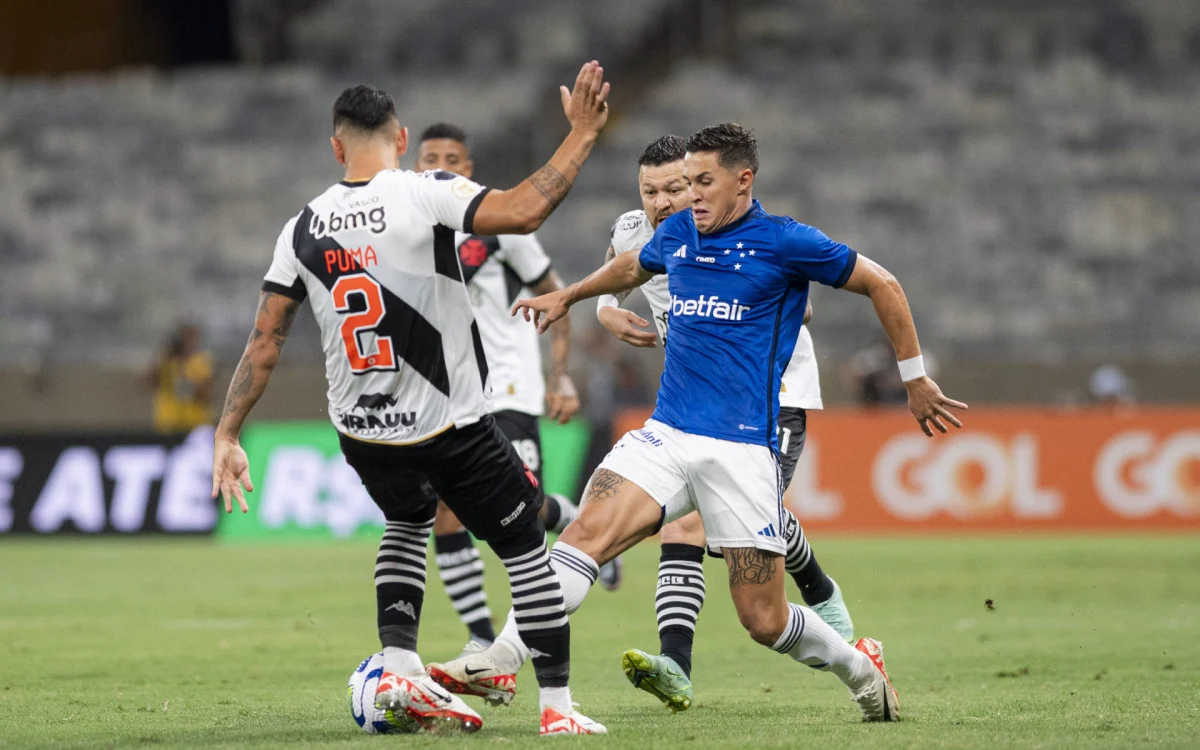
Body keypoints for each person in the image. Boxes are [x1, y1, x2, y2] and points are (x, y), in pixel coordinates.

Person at [433, 123, 968, 723]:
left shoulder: (786, 241)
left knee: (763, 620)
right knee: (584, 537)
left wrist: (915, 378)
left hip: (741, 449)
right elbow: (632, 266)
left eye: (703, 182)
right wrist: (575, 299)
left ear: (743, 180)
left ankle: (862, 671)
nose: (690, 196)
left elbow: (881, 282)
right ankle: (502, 656)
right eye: (686, 183)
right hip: (667, 433)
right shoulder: (681, 232)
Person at [210, 61, 612, 736]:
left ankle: (399, 665)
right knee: (522, 549)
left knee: (407, 520)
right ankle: (557, 712)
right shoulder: (427, 192)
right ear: (400, 138)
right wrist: (582, 134)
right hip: (448, 421)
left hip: (363, 431)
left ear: (336, 148)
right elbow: (524, 209)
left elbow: (263, 344)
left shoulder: (301, 228)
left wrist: (226, 435)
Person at [592, 134, 853, 712]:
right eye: (649, 191)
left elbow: (799, 301)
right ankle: (677, 668)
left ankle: (819, 593)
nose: (661, 202)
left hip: (771, 393)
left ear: (699, 184)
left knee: (731, 527)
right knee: (684, 525)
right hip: (698, 403)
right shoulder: (635, 231)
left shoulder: (746, 236)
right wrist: (610, 315)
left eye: (674, 189)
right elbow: (611, 284)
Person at [411, 122, 601, 652]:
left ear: (467, 170)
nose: (441, 165)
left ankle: (585, 530)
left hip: (509, 387)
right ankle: (479, 639)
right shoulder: (406, 232)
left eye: (453, 157)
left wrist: (559, 374)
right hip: (451, 395)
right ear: (415, 165)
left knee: (521, 512)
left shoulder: (498, 225)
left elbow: (554, 295)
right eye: (430, 157)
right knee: (446, 514)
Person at [148, 322, 214, 433]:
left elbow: (207, 394)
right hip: (167, 423)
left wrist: (185, 373)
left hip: (195, 424)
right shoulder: (167, 361)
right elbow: (150, 381)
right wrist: (163, 355)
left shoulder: (201, 361)